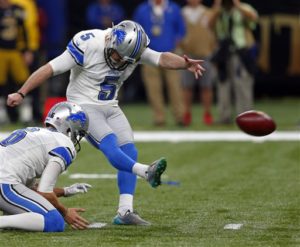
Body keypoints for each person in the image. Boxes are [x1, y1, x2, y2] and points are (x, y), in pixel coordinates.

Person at [7, 20, 205, 225]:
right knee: (109, 142)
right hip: (83, 105)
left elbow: (161, 58)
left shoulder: (133, 49)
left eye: (125, 59)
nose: (119, 61)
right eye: (117, 55)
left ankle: (124, 212)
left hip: (110, 105)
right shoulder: (89, 43)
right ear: (111, 41)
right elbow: (50, 69)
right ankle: (146, 172)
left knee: (130, 150)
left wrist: (184, 64)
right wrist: (22, 92)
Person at [0, 102, 91, 231]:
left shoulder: (35, 133)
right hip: (4, 183)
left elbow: (30, 191)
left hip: (5, 181)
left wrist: (65, 191)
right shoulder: (63, 144)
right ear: (69, 128)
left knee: (25, 217)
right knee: (54, 222)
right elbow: (44, 192)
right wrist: (65, 212)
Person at [133, 0, 186, 126]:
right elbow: (135, 30)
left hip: (170, 54)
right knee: (153, 88)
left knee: (175, 87)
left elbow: (182, 29)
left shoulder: (173, 8)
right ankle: (159, 118)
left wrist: (177, 41)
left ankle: (179, 117)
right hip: (148, 55)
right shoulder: (142, 9)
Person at [209, 0, 258, 124]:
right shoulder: (219, 10)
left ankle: (246, 116)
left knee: (242, 84)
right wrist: (218, 7)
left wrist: (237, 5)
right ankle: (224, 116)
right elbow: (209, 24)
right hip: (224, 52)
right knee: (223, 84)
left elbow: (254, 19)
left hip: (240, 51)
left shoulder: (244, 8)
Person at [180, 0, 217, 126]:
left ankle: (207, 113)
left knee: (206, 86)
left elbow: (214, 31)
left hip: (205, 54)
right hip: (187, 55)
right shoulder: (182, 13)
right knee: (187, 87)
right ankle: (186, 113)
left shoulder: (208, 13)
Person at [0, 0, 30, 124]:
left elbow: (24, 30)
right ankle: (2, 114)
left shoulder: (17, 9)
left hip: (15, 50)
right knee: (0, 83)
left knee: (24, 80)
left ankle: (26, 113)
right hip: (1, 50)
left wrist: (26, 50)